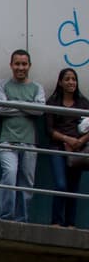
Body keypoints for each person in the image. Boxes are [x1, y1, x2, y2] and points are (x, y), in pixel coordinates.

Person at [0, 50, 44, 223]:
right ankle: (6, 218)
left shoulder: (37, 87)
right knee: (9, 174)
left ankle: (22, 221)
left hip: (30, 141)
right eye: (17, 64)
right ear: (11, 65)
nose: (20, 67)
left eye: (24, 64)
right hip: (6, 139)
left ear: (29, 65)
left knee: (27, 183)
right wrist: (27, 105)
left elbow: (39, 110)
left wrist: (12, 103)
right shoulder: (1, 85)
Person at [46, 67, 89, 227]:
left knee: (73, 187)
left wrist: (80, 141)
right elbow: (49, 130)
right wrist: (67, 139)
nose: (71, 82)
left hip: (77, 150)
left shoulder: (83, 103)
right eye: (67, 79)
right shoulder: (53, 103)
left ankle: (70, 223)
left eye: (74, 79)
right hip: (58, 148)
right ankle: (56, 222)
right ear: (60, 82)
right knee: (61, 185)